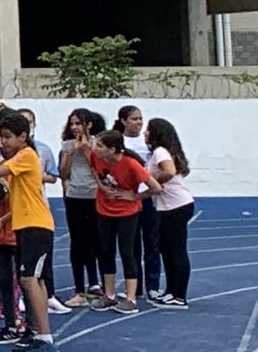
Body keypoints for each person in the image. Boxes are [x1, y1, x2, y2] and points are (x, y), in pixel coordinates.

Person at [0, 108, 60, 352]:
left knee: (30, 280)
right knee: (32, 280)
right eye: (1, 136)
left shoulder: (26, 155)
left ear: (22, 136)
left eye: (7, 137)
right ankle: (37, 333)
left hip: (36, 227)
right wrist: (5, 219)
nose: (3, 141)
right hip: (27, 224)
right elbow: (26, 196)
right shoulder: (23, 157)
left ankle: (45, 338)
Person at [92, 128, 152, 312]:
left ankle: (131, 298)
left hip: (127, 213)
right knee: (106, 251)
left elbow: (155, 187)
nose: (95, 148)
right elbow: (94, 170)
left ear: (112, 149)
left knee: (127, 252)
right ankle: (109, 295)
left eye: (100, 145)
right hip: (104, 210)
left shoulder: (131, 164)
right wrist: (102, 187)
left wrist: (134, 196)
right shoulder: (96, 157)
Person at [58, 107, 107, 307]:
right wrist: (71, 153)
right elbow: (63, 172)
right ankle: (79, 288)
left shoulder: (98, 144)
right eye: (72, 124)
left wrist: (87, 150)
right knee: (77, 242)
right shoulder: (67, 145)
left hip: (95, 196)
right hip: (75, 196)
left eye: (79, 123)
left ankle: (100, 285)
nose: (75, 127)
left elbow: (100, 169)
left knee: (98, 242)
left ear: (88, 125)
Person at [146, 118, 194, 308]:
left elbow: (169, 171)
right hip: (168, 207)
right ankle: (171, 291)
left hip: (177, 207)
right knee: (166, 250)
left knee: (176, 250)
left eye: (148, 130)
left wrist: (150, 180)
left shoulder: (160, 152)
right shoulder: (158, 152)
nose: (145, 133)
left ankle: (179, 295)